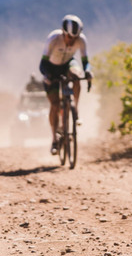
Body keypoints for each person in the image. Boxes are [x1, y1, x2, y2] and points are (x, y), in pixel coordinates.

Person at [39, 14, 93, 155]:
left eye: (75, 38)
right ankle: (54, 140)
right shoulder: (53, 38)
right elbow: (43, 63)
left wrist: (87, 72)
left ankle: (75, 109)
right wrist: (48, 76)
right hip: (51, 68)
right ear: (63, 33)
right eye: (69, 37)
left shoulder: (81, 40)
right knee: (55, 105)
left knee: (76, 74)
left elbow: (85, 61)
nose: (72, 41)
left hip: (68, 64)